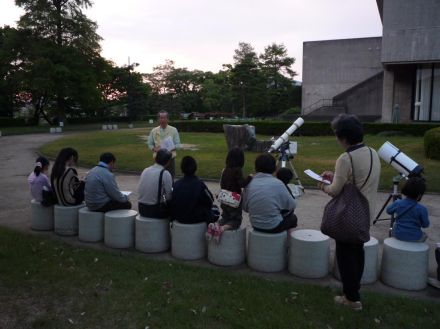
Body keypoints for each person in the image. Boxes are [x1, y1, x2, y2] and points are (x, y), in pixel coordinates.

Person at [318, 114, 380, 311]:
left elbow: (335, 191)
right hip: (366, 212)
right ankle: (352, 293)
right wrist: (335, 176)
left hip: (349, 215)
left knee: (345, 257)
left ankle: (352, 299)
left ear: (343, 137)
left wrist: (322, 185)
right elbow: (358, 181)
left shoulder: (346, 157)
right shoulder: (372, 152)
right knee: (357, 254)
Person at [242, 154, 297, 233]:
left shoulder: (249, 183)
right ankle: (288, 242)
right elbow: (292, 205)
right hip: (274, 226)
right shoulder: (278, 183)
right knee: (293, 218)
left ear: (256, 167)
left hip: (255, 224)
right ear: (274, 168)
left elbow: (245, 208)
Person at [206, 147, 247, 241]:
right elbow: (242, 184)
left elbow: (222, 184)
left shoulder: (225, 170)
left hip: (224, 198)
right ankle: (221, 229)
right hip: (234, 199)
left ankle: (214, 225)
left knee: (225, 217)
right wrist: (249, 178)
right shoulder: (238, 170)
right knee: (236, 220)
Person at [170, 156, 215, 224]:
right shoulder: (199, 184)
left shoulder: (176, 184)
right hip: (194, 218)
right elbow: (210, 200)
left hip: (179, 217)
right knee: (215, 210)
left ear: (182, 169)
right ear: (195, 168)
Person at [386, 177, 430, 242]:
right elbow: (425, 225)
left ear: (405, 189)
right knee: (425, 236)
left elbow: (388, 211)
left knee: (394, 229)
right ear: (420, 195)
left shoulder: (398, 203)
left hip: (397, 234)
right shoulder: (422, 209)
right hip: (415, 237)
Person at [138, 149, 173, 218]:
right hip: (155, 210)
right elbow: (169, 197)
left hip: (141, 208)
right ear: (168, 162)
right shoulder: (165, 173)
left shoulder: (146, 170)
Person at [147, 110, 181, 179]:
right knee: (158, 178)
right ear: (158, 119)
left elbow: (178, 145)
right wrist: (154, 149)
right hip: (158, 159)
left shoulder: (173, 130)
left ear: (168, 119)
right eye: (161, 118)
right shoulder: (154, 131)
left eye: (164, 118)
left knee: (170, 178)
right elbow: (150, 144)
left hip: (170, 159)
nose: (163, 120)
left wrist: (170, 148)